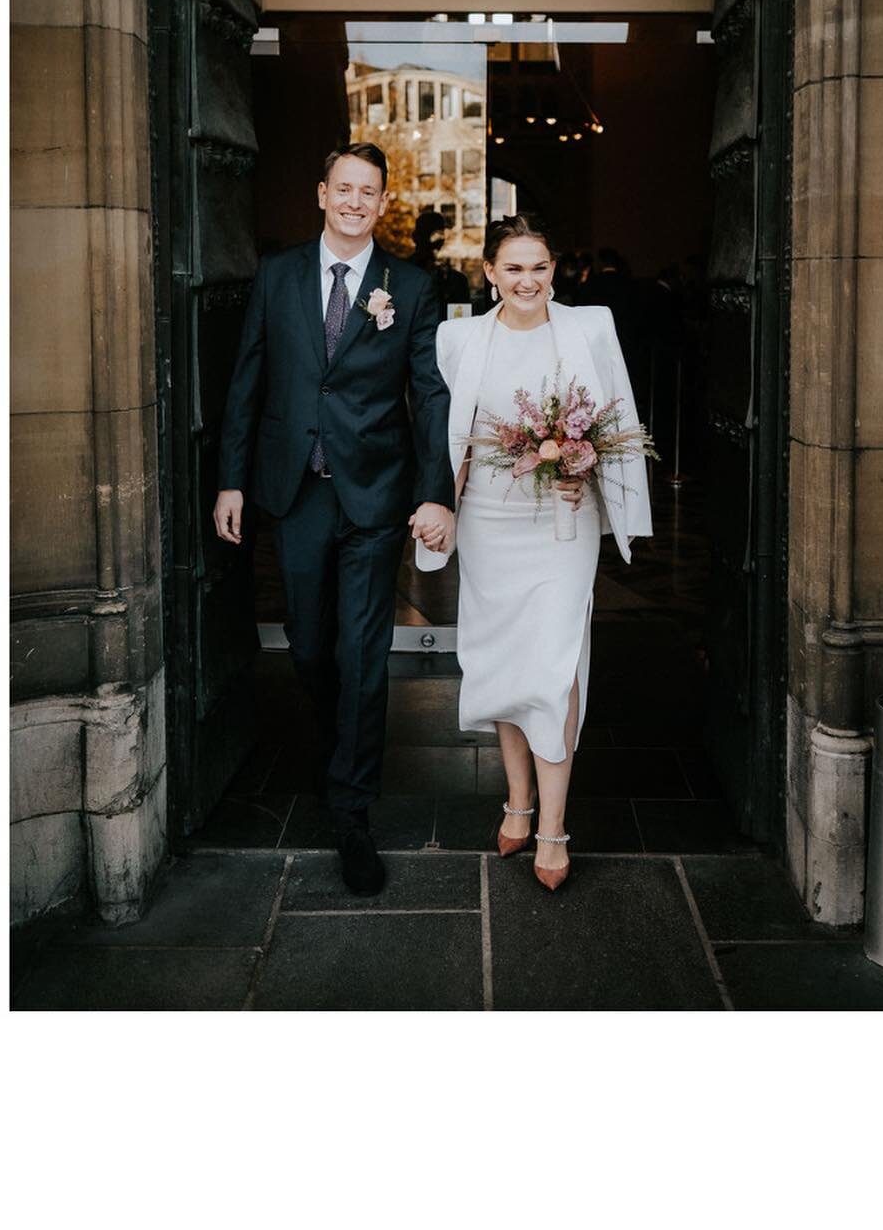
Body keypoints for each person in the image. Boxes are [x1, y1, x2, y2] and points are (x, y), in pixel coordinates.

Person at [213, 144, 456, 896]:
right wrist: (231, 483)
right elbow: (249, 378)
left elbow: (432, 393)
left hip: (375, 495)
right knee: (313, 649)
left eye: (369, 193)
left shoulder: (409, 288)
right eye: (343, 188)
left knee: (362, 652)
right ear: (322, 194)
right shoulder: (278, 274)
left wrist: (436, 491)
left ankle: (351, 809)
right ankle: (336, 749)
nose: (355, 202)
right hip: (296, 493)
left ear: (383, 204)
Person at [415, 213, 652, 891]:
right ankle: (515, 797)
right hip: (489, 522)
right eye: (513, 268)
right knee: (503, 662)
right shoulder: (457, 338)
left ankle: (553, 825)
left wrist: (584, 460)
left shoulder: (590, 327)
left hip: (562, 527)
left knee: (554, 661)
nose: (528, 281)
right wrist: (441, 506)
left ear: (555, 269)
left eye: (539, 268)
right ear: (490, 272)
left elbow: (617, 419)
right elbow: (450, 435)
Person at [409, 207, 470, 311]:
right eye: (435, 235)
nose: (439, 241)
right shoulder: (405, 273)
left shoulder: (456, 280)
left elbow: (460, 316)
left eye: (440, 235)